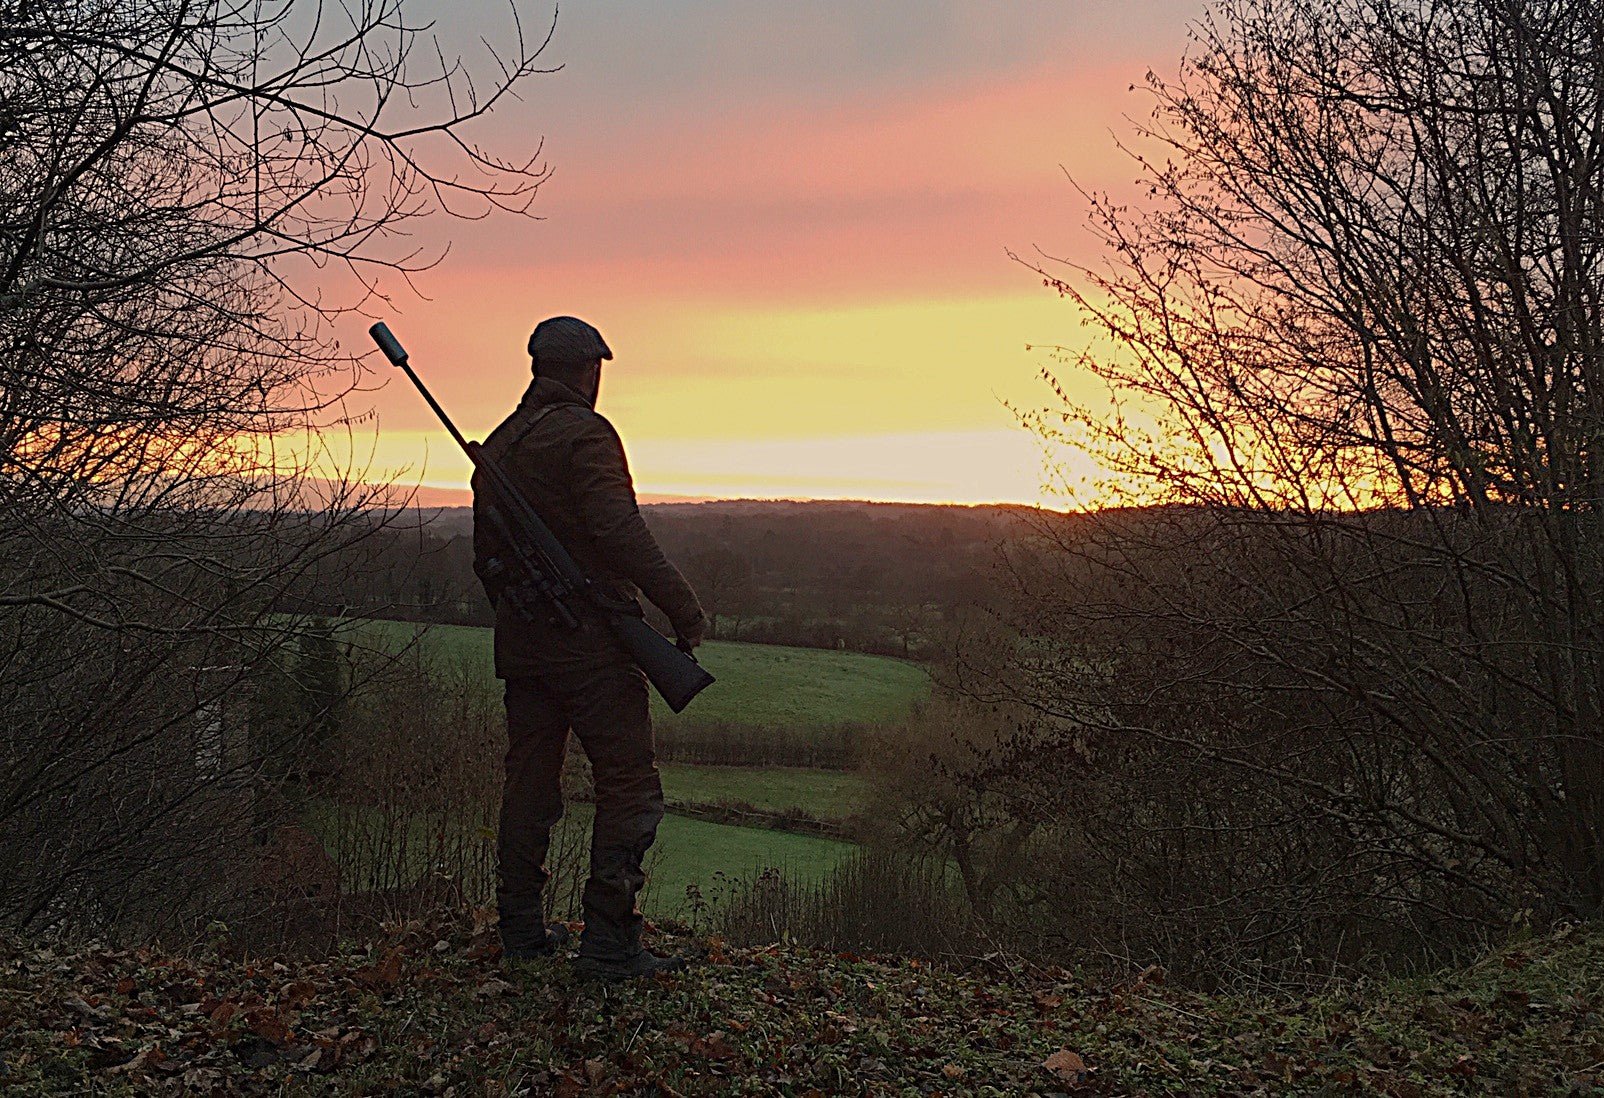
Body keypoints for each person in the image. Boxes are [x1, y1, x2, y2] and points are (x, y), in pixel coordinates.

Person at [472, 315, 707, 980]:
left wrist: (530, 623)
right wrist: (682, 609)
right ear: (587, 371)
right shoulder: (586, 435)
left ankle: (519, 932)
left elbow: (484, 563)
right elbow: (619, 530)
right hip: (592, 652)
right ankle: (609, 944)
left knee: (528, 787)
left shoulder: (497, 447)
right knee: (629, 784)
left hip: (524, 651)